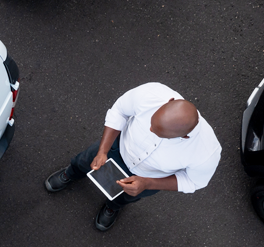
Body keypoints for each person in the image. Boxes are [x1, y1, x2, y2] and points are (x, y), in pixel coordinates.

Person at [44, 82, 222, 231]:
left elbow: (193, 181)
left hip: (148, 177)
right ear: (169, 101)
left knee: (126, 196)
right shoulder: (151, 93)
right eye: (152, 123)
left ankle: (112, 207)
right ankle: (71, 173)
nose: (150, 130)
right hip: (117, 148)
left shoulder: (207, 152)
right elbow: (120, 111)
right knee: (85, 161)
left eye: (160, 134)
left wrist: (147, 184)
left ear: (183, 137)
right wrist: (103, 150)